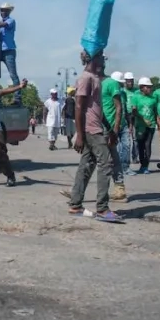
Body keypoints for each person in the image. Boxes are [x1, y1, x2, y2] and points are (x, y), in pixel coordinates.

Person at [67, 50, 121, 222]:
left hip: (96, 127)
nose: (103, 60)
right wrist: (80, 136)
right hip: (90, 130)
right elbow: (79, 107)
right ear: (94, 58)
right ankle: (103, 209)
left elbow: (97, 108)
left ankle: (75, 205)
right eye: (101, 56)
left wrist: (110, 129)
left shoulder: (95, 78)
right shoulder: (85, 79)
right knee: (106, 163)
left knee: (86, 165)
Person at [100, 70, 129, 201]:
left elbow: (120, 109)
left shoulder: (118, 91)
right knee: (112, 157)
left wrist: (116, 129)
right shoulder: (107, 86)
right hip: (105, 127)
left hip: (110, 128)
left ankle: (78, 192)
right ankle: (119, 187)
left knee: (95, 159)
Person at [130, 77, 158, 174]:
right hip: (140, 125)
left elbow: (155, 112)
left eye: (150, 87)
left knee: (147, 145)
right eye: (148, 87)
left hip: (151, 125)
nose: (150, 89)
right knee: (140, 146)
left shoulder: (153, 99)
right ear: (142, 88)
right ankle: (142, 163)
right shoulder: (136, 97)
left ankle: (145, 166)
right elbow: (134, 111)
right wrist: (142, 119)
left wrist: (158, 123)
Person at [122, 72, 138, 163]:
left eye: (131, 81)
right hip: (125, 116)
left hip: (135, 115)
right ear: (125, 81)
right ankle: (125, 157)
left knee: (135, 138)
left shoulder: (137, 91)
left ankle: (135, 156)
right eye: (128, 81)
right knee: (126, 138)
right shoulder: (122, 90)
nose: (130, 83)